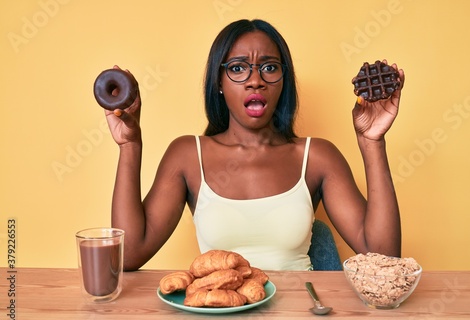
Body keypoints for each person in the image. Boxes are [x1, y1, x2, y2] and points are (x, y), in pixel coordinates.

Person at [104, 19, 404, 271]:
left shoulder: (317, 157)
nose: (255, 81)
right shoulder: (187, 155)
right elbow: (128, 255)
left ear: (283, 80)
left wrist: (372, 141)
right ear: (218, 82)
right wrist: (130, 145)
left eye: (269, 67)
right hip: (219, 317)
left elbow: (384, 257)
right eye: (237, 68)